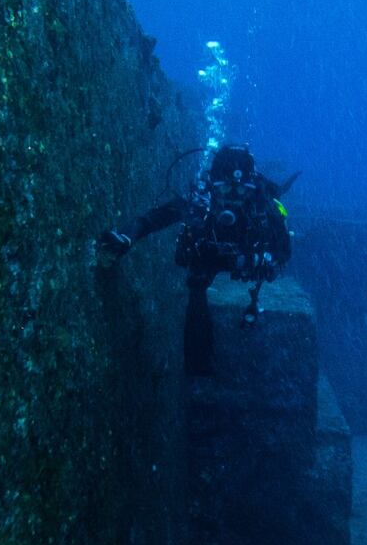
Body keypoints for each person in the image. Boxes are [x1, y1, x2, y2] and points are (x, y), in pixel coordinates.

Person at [97, 146, 295, 376]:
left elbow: (284, 252)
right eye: (224, 189)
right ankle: (198, 364)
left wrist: (265, 261)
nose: (232, 197)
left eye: (240, 191)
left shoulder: (263, 206)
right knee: (197, 285)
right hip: (208, 255)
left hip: (246, 258)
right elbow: (151, 219)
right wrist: (126, 238)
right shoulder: (201, 201)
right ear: (212, 184)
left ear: (251, 187)